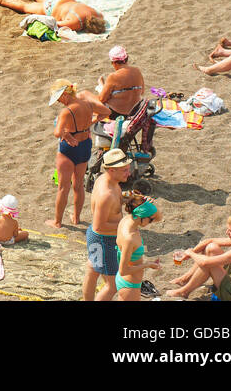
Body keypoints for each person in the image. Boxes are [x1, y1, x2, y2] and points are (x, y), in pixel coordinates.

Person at [166, 213, 231, 301]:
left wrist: (191, 253)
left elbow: (205, 263)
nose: (227, 232)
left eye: (230, 231)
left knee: (210, 264)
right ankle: (185, 279)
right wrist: (188, 254)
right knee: (211, 248)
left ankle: (184, 292)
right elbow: (209, 241)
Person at [48, 81, 103, 229]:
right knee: (78, 185)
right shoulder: (87, 103)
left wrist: (65, 135)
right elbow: (106, 112)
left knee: (63, 187)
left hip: (69, 149)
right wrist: (91, 122)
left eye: (59, 98)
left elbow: (57, 133)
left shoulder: (66, 111)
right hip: (84, 145)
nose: (59, 102)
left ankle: (57, 222)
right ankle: (76, 218)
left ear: (64, 95)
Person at [84, 148, 130, 301]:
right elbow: (99, 226)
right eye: (124, 170)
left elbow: (115, 202)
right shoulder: (106, 194)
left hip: (96, 238)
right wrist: (126, 224)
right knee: (113, 285)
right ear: (111, 170)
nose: (128, 173)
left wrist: (131, 198)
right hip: (105, 241)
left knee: (92, 270)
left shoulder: (105, 179)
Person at [0, 0, 106, 34]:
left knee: (47, 0)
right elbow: (55, 23)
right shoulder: (76, 23)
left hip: (62, 1)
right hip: (51, 9)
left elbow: (101, 15)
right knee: (26, 7)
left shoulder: (95, 14)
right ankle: (1, 1)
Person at [115, 195, 162, 301]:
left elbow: (158, 217)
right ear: (142, 216)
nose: (151, 222)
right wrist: (147, 265)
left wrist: (151, 204)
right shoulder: (129, 238)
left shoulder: (127, 219)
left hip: (126, 282)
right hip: (129, 285)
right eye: (150, 220)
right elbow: (124, 270)